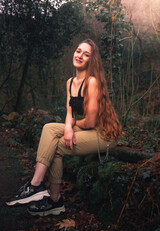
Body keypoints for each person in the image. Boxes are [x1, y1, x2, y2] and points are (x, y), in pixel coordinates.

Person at [6, 39, 122, 216]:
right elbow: (70, 112)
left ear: (92, 60)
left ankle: (54, 199)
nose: (80, 56)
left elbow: (90, 122)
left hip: (105, 134)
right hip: (88, 129)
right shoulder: (70, 82)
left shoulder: (92, 82)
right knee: (49, 128)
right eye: (78, 51)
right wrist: (68, 126)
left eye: (86, 54)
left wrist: (71, 125)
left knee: (58, 146)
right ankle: (36, 186)